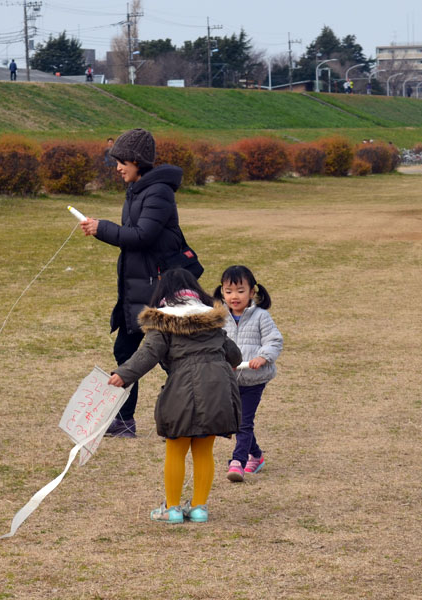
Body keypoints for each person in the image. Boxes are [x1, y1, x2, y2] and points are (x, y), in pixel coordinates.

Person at [79, 128, 192, 439]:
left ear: (137, 161)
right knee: (125, 353)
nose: (117, 167)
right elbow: (132, 239)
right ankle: (124, 421)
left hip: (158, 291)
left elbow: (142, 236)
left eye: (122, 161)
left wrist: (102, 228)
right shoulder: (138, 190)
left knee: (170, 358)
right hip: (135, 288)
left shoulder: (158, 192)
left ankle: (197, 410)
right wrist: (102, 229)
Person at [107, 269, 242, 523]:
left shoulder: (164, 320)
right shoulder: (211, 320)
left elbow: (147, 354)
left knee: (176, 448)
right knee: (204, 449)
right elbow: (234, 355)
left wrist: (123, 374)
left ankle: (172, 509)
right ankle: (200, 508)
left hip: (184, 388)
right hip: (218, 388)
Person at [213, 265, 283, 482]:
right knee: (235, 421)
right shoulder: (219, 317)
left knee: (244, 421)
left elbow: (274, 340)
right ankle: (257, 455)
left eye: (241, 291)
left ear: (252, 292)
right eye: (229, 291)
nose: (235, 296)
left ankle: (238, 462)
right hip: (229, 380)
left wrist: (263, 357)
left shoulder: (261, 316)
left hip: (254, 380)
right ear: (222, 293)